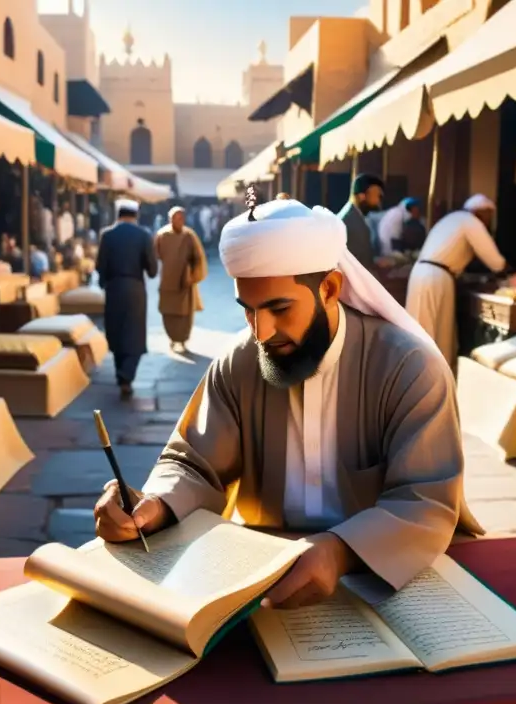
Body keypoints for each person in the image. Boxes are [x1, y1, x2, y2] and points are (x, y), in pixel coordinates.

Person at [93, 195, 475, 609]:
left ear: (329, 289)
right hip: (260, 580)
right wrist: (154, 506)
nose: (261, 332)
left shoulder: (407, 367)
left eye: (279, 308)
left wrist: (339, 551)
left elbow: (425, 501)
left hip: (378, 578)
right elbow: (193, 464)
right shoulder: (240, 362)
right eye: (249, 311)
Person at [406, 194, 508, 369]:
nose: (489, 221)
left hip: (422, 274)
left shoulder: (453, 219)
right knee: (433, 333)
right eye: (489, 216)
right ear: (481, 212)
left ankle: (422, 379)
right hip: (435, 278)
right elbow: (495, 262)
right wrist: (510, 272)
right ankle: (429, 381)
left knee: (424, 330)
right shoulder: (471, 222)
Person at [97, 199, 158, 397]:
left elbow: (100, 266)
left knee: (115, 330)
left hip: (113, 288)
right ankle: (127, 375)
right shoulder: (144, 235)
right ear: (136, 216)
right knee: (134, 332)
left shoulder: (107, 235)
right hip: (135, 289)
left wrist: (105, 283)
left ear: (118, 215)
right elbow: (152, 270)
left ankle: (120, 373)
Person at [155, 206, 207, 354]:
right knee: (168, 312)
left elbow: (199, 257)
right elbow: (155, 254)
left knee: (185, 313)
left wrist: (193, 275)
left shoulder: (189, 236)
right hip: (167, 281)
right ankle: (172, 338)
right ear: (169, 219)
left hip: (184, 282)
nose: (178, 220)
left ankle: (183, 339)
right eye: (175, 217)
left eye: (181, 217)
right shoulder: (162, 235)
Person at [338, 174, 383, 270]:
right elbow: (359, 265)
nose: (378, 201)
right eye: (376, 195)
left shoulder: (356, 216)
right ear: (362, 196)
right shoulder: (351, 222)